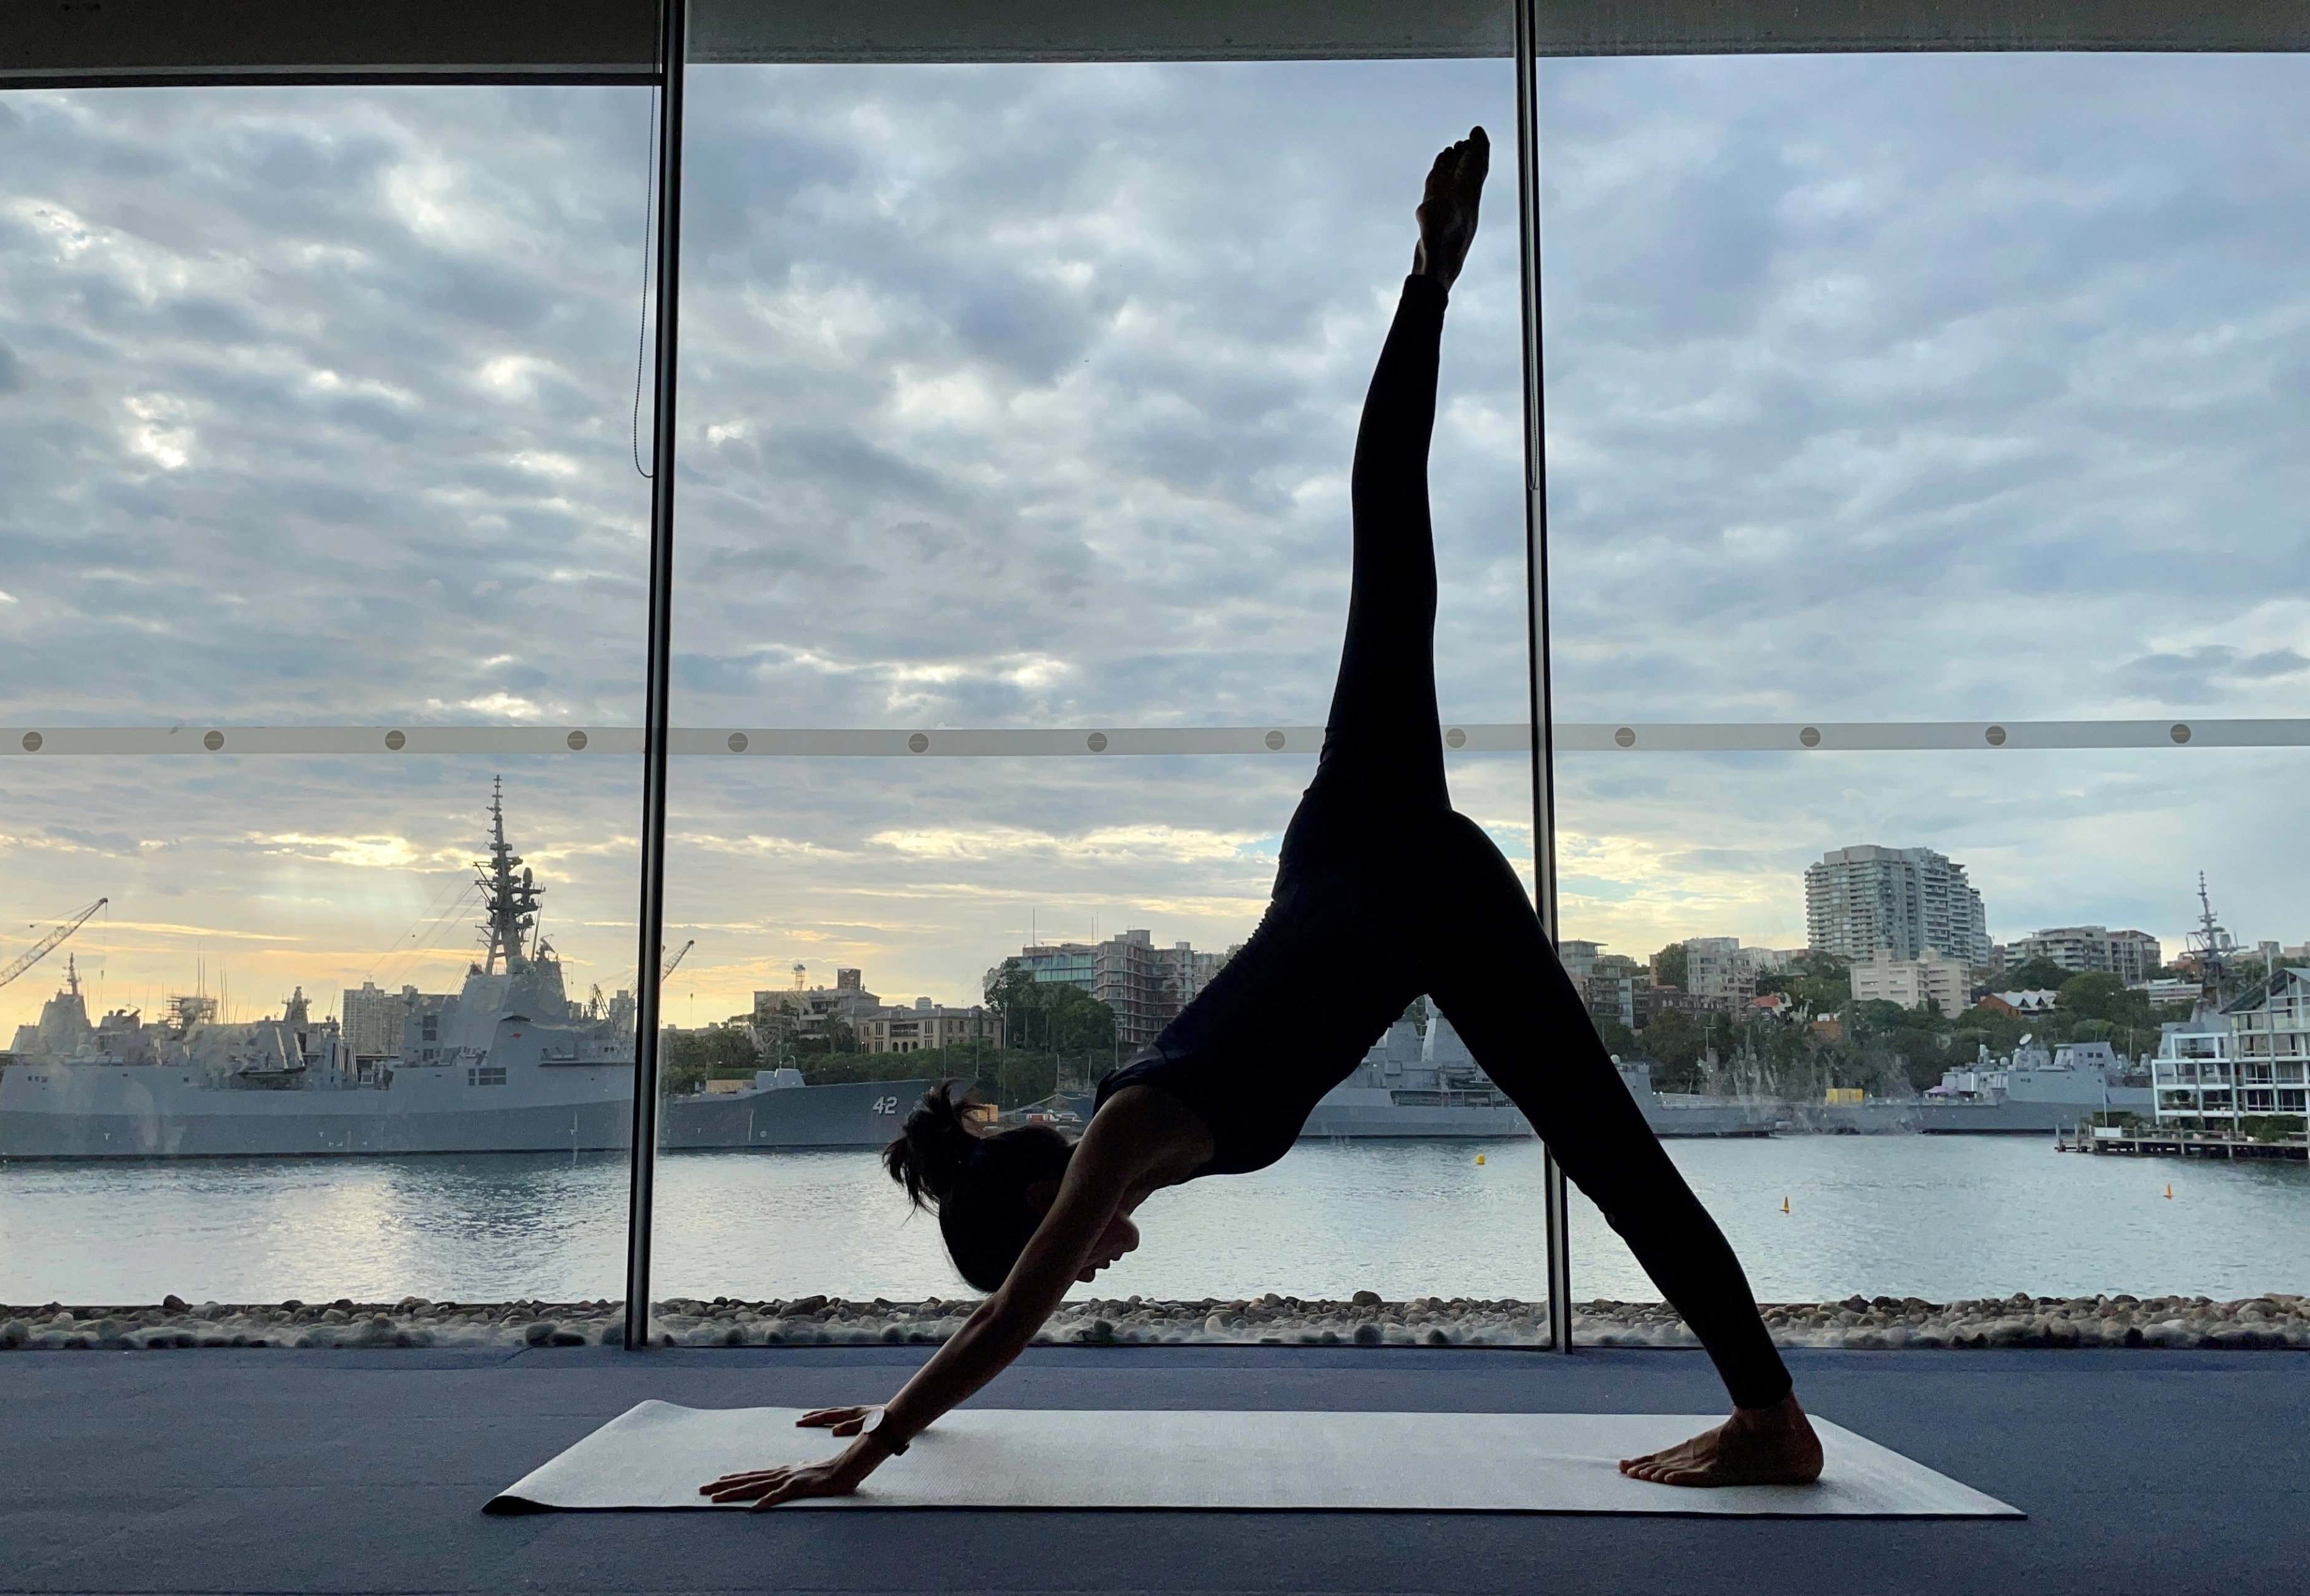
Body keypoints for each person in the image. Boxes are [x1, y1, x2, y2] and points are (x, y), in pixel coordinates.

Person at [701, 127, 1822, 1509]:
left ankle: (1427, 283)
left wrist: (878, 1446)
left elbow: (1010, 1317)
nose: (1088, 1271)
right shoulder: (1118, 1150)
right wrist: (895, 1408)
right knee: (1609, 1158)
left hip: (1367, 845)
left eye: (1061, 1249)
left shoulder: (1120, 1143)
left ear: (1059, 1210)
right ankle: (1770, 1418)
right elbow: (1004, 1302)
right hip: (1417, 904)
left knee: (1388, 553)